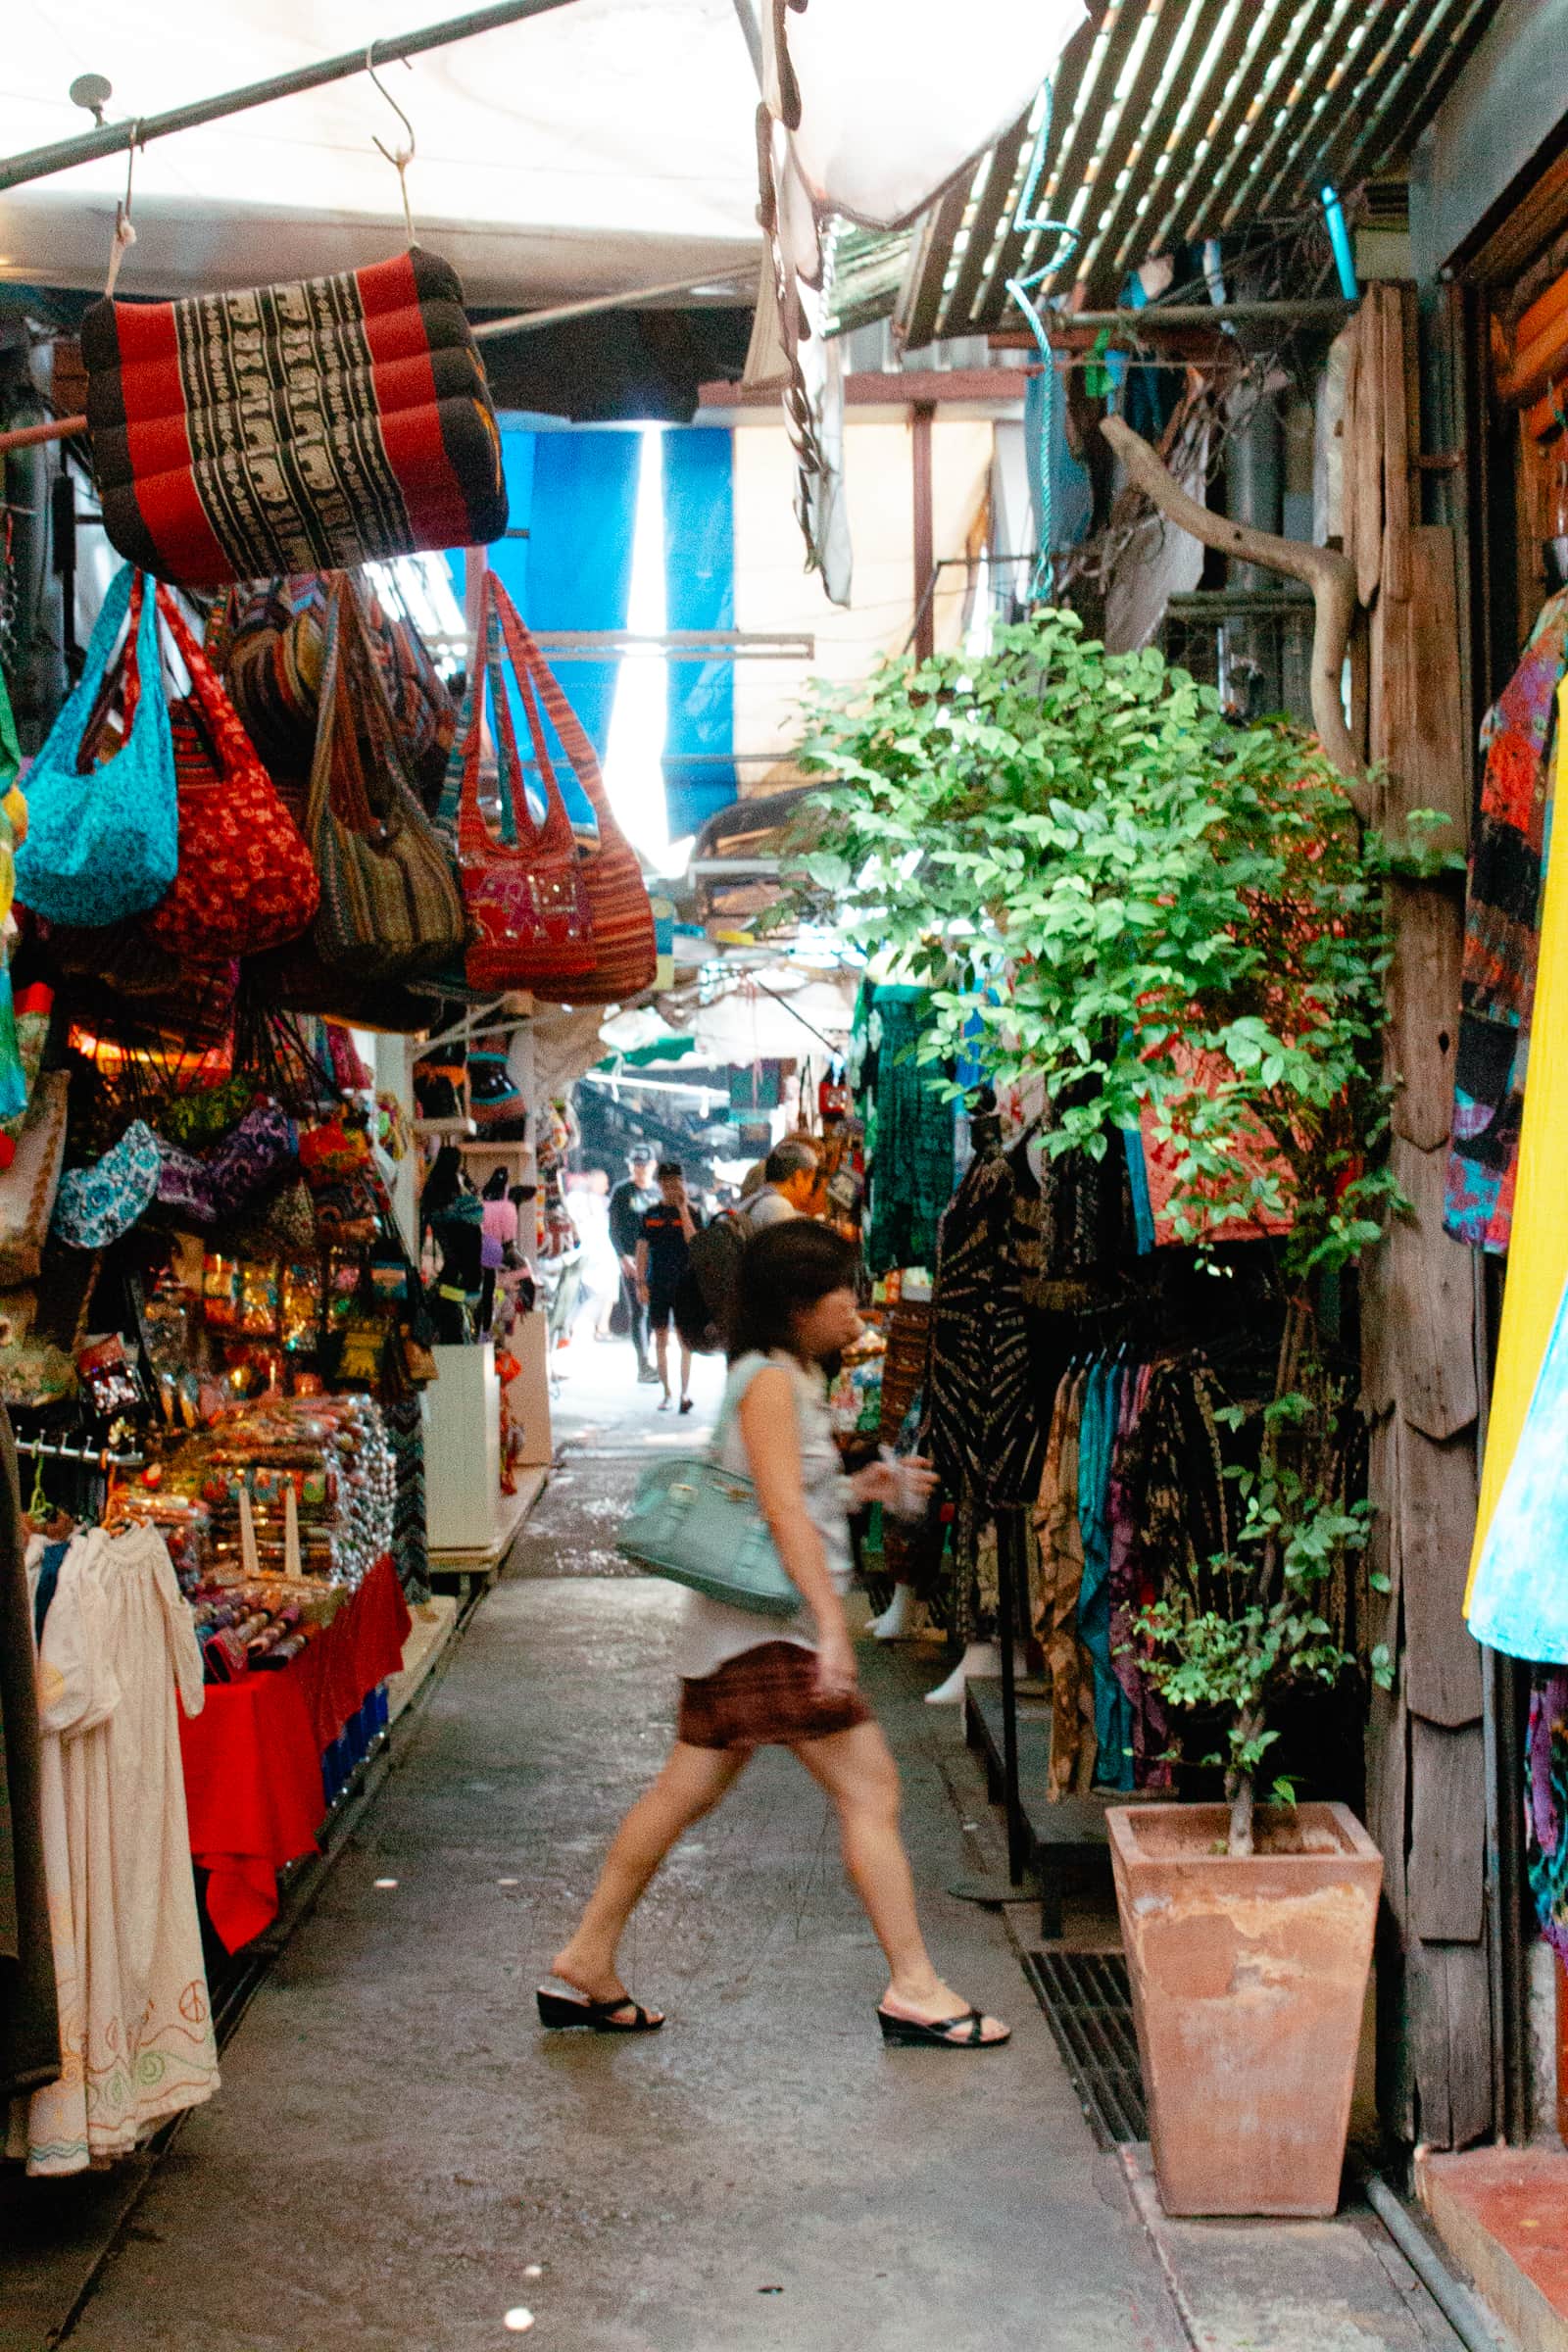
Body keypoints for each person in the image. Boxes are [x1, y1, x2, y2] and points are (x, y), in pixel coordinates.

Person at [540, 1220, 1009, 2051]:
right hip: (774, 1631)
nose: (857, 1305)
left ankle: (586, 1958)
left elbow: (794, 1495)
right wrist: (834, 1628)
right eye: (844, 1290)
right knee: (870, 1792)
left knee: (687, 1791)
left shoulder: (784, 1373)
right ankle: (916, 1985)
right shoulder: (769, 1382)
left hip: (745, 1632)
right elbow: (781, 1509)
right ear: (800, 1304)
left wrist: (863, 1488)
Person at [636, 1160, 702, 1413]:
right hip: (658, 1284)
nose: (671, 1187)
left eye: (675, 1182)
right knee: (660, 1339)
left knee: (686, 1340)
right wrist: (641, 1282)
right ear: (660, 1185)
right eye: (666, 1183)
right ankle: (666, 1393)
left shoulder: (693, 1212)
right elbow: (641, 1250)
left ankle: (685, 1393)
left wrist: (683, 1208)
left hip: (685, 1284)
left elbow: (694, 1242)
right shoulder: (650, 1215)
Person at [609, 1148, 660, 1385]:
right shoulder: (621, 1192)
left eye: (644, 1164)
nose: (639, 1169)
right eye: (636, 1164)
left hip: (656, 1261)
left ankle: (652, 1361)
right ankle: (643, 1364)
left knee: (653, 1312)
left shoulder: (658, 1193)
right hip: (630, 1260)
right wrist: (621, 1257)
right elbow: (613, 1229)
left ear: (653, 1165)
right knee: (639, 1311)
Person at [745, 1135, 821, 1231]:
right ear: (797, 1177)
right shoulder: (778, 1205)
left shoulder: (760, 1197)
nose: (811, 1188)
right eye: (811, 1181)